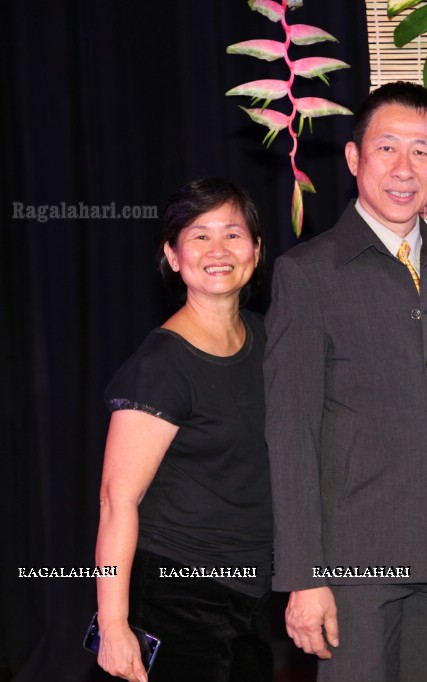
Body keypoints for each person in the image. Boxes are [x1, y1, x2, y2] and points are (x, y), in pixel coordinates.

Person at [263, 81, 427, 681]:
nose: (403, 167)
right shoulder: (306, 275)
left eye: (421, 151)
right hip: (354, 568)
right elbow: (290, 434)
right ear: (353, 158)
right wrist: (303, 576)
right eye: (387, 147)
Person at [95, 177, 273, 682]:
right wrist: (113, 624)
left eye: (233, 234)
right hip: (178, 594)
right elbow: (116, 500)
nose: (217, 250)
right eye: (199, 236)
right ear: (173, 256)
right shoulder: (162, 363)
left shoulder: (267, 337)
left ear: (256, 251)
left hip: (250, 594)